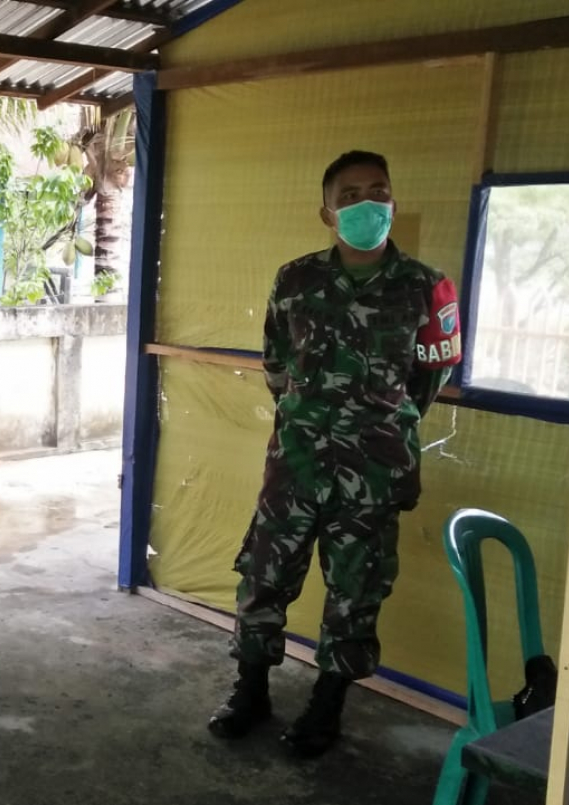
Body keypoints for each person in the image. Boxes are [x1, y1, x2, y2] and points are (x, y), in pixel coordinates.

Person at [207, 151, 462, 757]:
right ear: (327, 212)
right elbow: (276, 363)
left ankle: (326, 708)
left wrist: (375, 425)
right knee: (263, 579)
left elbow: (429, 377)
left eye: (378, 191)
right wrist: (311, 421)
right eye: (349, 195)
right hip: (294, 466)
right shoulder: (295, 280)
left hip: (373, 474)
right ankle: (251, 691)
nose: (366, 203)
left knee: (356, 592)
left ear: (393, 202)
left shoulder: (427, 287)